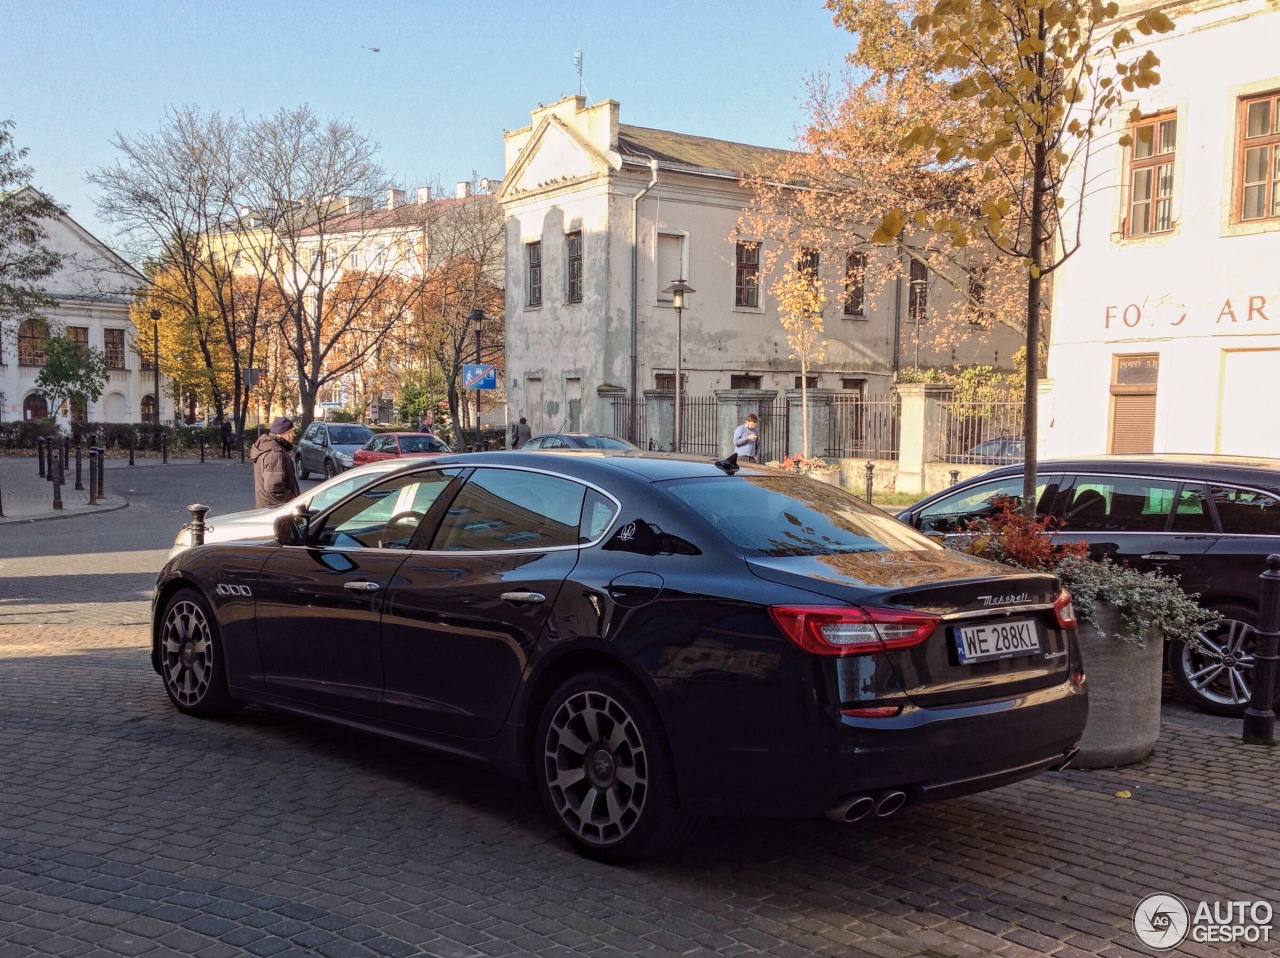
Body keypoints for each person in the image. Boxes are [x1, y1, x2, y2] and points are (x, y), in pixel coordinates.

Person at [250, 416, 301, 508]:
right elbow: (273, 486)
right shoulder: (275, 453)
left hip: (268, 506)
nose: (294, 435)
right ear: (282, 433)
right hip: (276, 509)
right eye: (291, 431)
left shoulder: (270, 448)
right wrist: (293, 499)